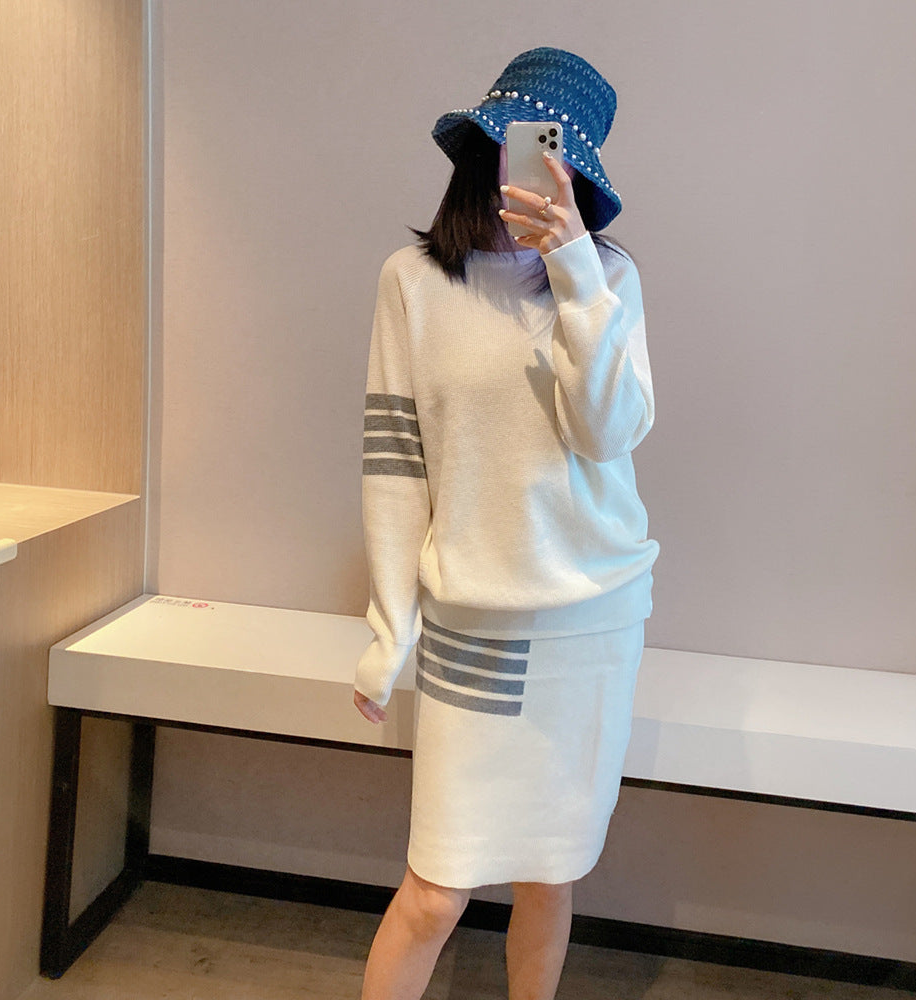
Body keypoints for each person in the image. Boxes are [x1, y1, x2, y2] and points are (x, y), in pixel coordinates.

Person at [352, 46, 659, 1000]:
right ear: (487, 145)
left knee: (550, 874)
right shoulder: (412, 282)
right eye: (522, 142)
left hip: (590, 626)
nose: (533, 169)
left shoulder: (606, 281)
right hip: (473, 628)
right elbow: (396, 465)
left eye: (558, 155)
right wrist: (391, 628)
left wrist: (573, 270)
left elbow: (609, 433)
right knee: (435, 891)